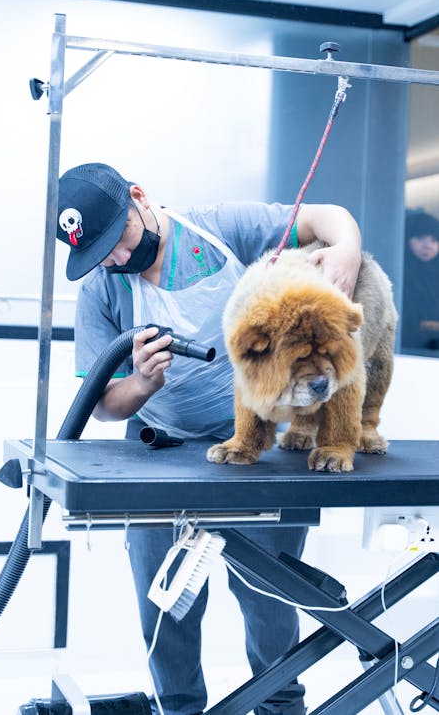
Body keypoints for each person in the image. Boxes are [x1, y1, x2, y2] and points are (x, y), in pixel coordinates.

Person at [57, 162, 362, 715]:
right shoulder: (104, 286)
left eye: (119, 238)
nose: (119, 258)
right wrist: (143, 382)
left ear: (140, 198)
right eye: (103, 254)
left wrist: (347, 250)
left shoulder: (221, 229)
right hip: (161, 450)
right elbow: (101, 405)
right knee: (166, 597)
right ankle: (179, 707)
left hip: (256, 447)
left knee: (268, 591)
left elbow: (326, 217)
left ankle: (279, 704)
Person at [401, 208, 439, 352]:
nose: (428, 245)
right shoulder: (399, 271)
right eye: (420, 238)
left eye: (435, 240)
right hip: (406, 350)